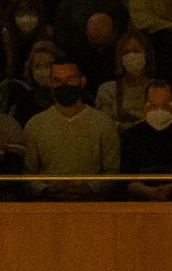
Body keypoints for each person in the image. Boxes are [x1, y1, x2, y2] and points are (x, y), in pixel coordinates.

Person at [24, 58, 122, 198]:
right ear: (51, 84)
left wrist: (88, 188)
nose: (64, 85)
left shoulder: (104, 124)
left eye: (69, 79)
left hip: (93, 207)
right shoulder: (35, 125)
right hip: (48, 206)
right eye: (58, 80)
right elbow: (27, 174)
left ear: (82, 81)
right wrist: (46, 189)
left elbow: (113, 172)